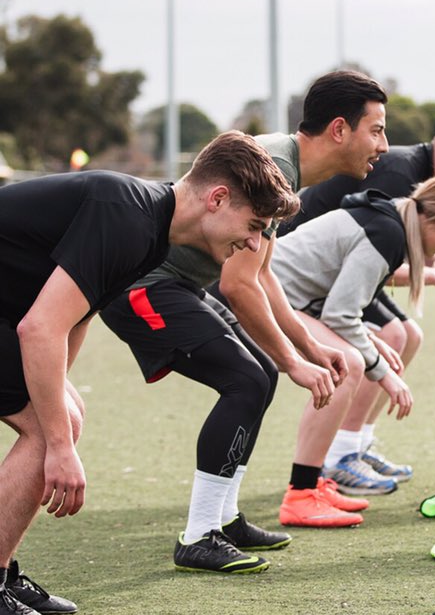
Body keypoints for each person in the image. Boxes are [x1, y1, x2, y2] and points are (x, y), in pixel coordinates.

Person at [0, 131, 297, 615]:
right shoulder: (128, 217)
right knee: (57, 423)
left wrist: (58, 407)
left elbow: (77, 317)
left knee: (66, 410)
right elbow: (39, 328)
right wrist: (56, 444)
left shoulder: (151, 226)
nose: (253, 243)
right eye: (253, 226)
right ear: (218, 198)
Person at [101, 70, 389, 575]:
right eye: (377, 130)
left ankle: (223, 518)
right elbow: (237, 286)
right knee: (246, 377)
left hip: (175, 285)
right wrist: (294, 362)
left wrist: (304, 347)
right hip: (143, 286)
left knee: (258, 374)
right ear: (340, 129)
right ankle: (199, 535)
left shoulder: (286, 167)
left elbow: (262, 274)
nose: (383, 145)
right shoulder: (275, 162)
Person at [277, 110, 435, 494]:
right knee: (370, 351)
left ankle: (352, 447)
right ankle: (335, 461)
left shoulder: (408, 208)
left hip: (314, 285)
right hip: (295, 283)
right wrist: (384, 371)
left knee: (402, 336)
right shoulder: (399, 178)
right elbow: (368, 266)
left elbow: (380, 259)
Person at [270, 174, 435, 525]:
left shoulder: (391, 221)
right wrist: (386, 377)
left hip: (285, 303)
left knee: (357, 357)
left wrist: (372, 345)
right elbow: (340, 315)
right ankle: (301, 494)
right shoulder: (388, 231)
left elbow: (340, 306)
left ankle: (313, 483)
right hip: (262, 304)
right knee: (349, 364)